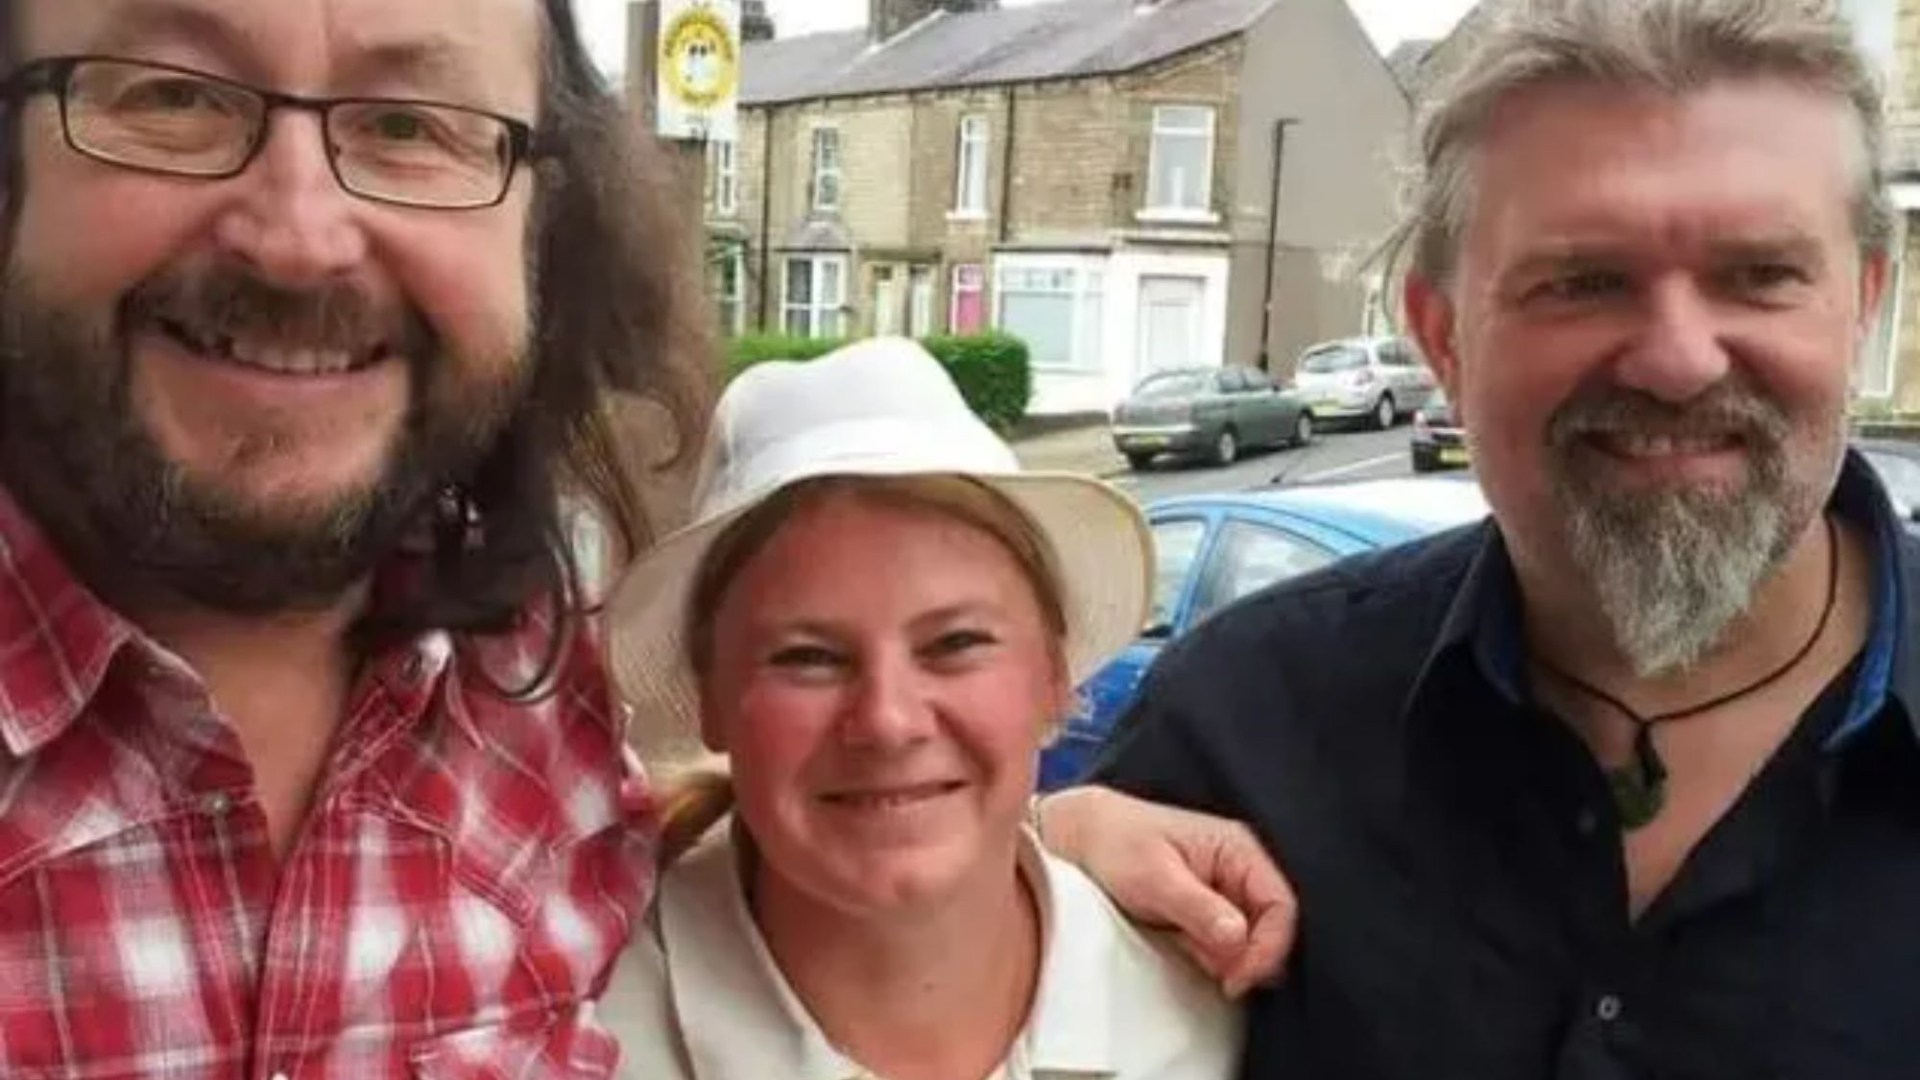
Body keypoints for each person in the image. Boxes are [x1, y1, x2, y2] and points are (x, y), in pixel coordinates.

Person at [1038, 0, 1920, 1076]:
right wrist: (1024, 879)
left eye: (1761, 275)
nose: (1680, 360)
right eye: (1586, 282)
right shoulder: (1244, 722)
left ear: (1863, 302)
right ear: (1442, 335)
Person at [0, 0, 709, 1074]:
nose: (298, 241)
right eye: (173, 96)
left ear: (542, 223)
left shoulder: (557, 708)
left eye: (412, 124)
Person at [599, 338, 1242, 1080]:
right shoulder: (570, 1044)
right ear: (712, 700)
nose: (887, 720)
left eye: (956, 642)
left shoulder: (1201, 1014)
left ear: (1054, 677)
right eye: (808, 657)